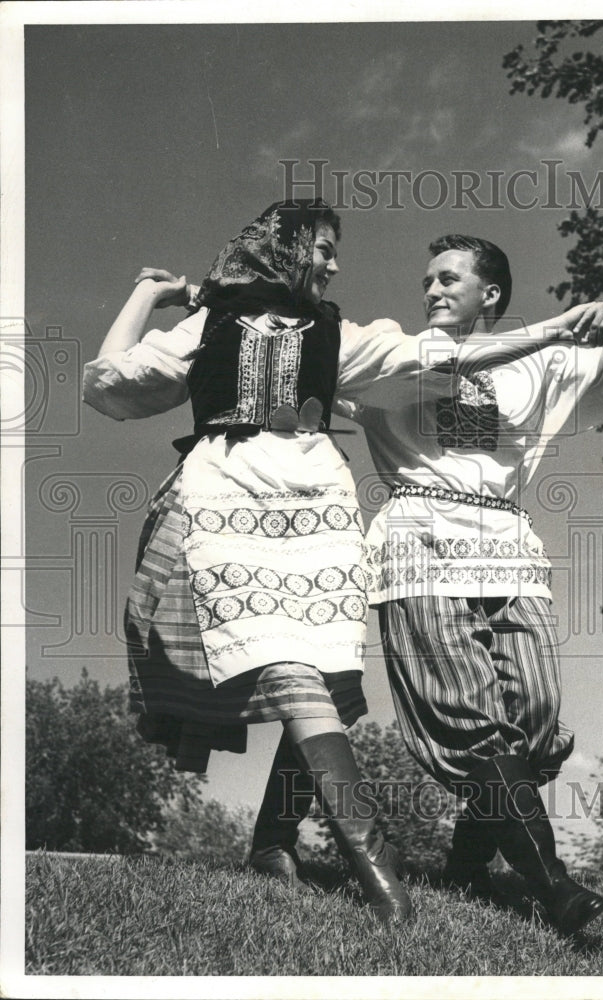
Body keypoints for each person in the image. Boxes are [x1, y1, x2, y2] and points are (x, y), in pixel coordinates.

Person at [82, 202, 565, 922]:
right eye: (326, 249)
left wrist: (562, 326)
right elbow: (110, 385)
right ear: (285, 249)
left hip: (322, 506)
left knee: (334, 679)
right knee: (293, 672)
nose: (337, 264)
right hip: (226, 495)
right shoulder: (207, 326)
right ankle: (388, 878)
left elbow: (448, 356)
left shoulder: (345, 334)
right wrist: (146, 296)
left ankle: (275, 841)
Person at [346, 234, 603, 934]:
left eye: (448, 279)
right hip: (420, 540)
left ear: (490, 293)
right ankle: (555, 889)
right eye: (426, 279)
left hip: (509, 545)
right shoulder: (396, 354)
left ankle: (467, 867)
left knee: (537, 721)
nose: (430, 290)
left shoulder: (546, 365)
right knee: (467, 715)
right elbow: (342, 379)